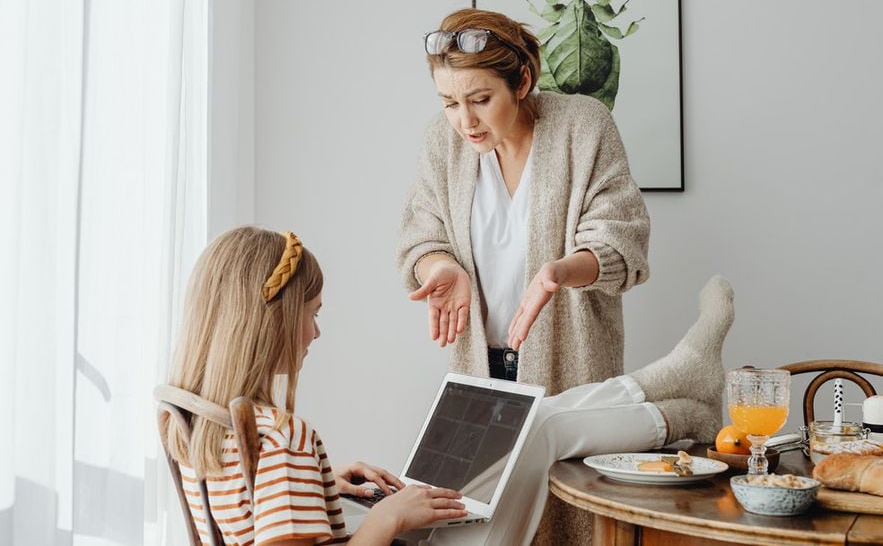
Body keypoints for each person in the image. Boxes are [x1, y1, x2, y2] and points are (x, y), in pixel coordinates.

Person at [160, 226, 734, 546]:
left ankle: (684, 394)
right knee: (534, 430)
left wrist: (322, 482)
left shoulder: (196, 423)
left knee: (529, 422)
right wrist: (388, 519)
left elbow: (252, 514)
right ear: (266, 324)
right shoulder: (280, 436)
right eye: (311, 313)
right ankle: (682, 395)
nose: (316, 330)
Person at [396, 8, 650, 395]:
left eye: (480, 99)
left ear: (522, 82)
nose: (465, 122)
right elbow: (422, 234)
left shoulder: (583, 125)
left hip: (575, 370)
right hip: (479, 369)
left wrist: (561, 272)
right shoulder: (441, 142)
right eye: (449, 103)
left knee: (569, 459)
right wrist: (442, 265)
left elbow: (619, 242)